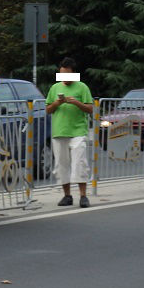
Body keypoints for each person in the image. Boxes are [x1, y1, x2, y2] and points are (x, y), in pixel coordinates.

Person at [46, 57, 93, 208]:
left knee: (79, 162)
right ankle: (67, 196)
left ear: (74, 74)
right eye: (62, 74)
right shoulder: (55, 88)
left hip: (78, 131)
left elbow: (90, 109)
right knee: (61, 164)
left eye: (67, 75)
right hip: (59, 131)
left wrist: (77, 102)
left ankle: (83, 196)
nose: (65, 78)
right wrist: (56, 103)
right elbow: (48, 110)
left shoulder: (82, 87)